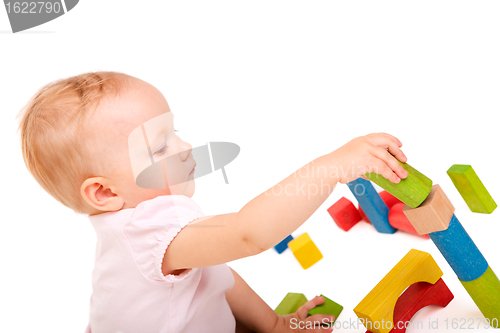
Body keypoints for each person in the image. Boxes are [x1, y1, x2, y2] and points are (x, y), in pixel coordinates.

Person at [16, 71, 408, 333]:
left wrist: (272, 325)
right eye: (161, 147)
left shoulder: (149, 222)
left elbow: (215, 276)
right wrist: (330, 167)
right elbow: (247, 234)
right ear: (105, 193)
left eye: (176, 133)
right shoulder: (146, 230)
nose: (186, 148)